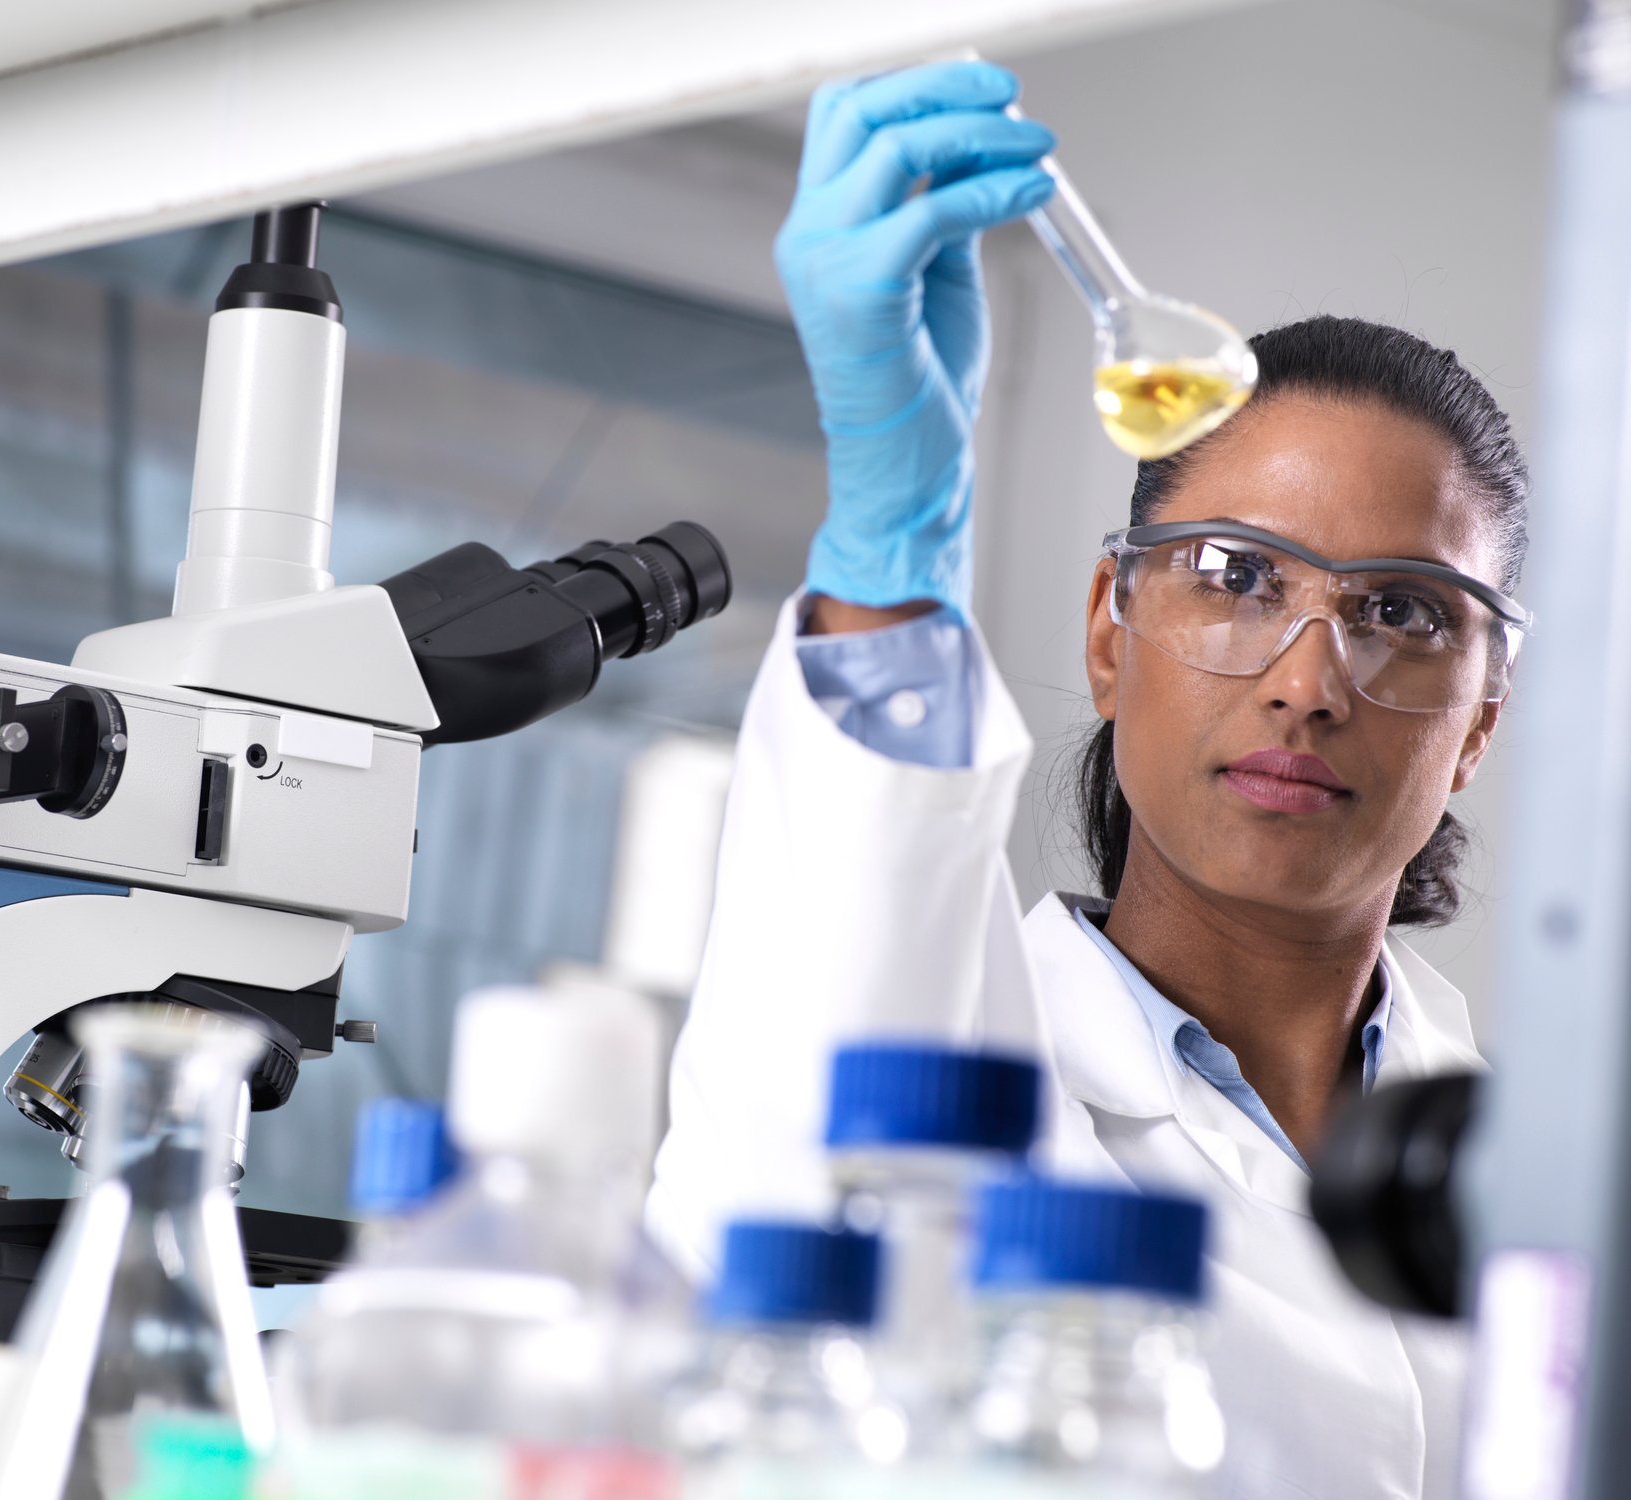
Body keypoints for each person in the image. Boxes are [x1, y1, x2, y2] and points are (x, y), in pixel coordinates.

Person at [645, 60, 1530, 1500]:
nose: (1308, 682)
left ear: (1481, 719)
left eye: (1402, 611)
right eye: (1235, 579)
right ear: (1108, 639)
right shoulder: (951, 1049)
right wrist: (890, 557)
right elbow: (766, 1260)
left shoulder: (1532, 1163)